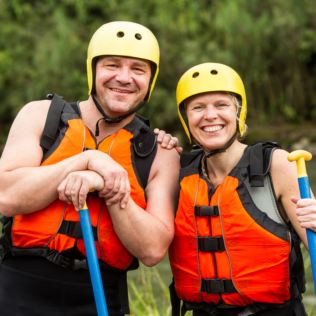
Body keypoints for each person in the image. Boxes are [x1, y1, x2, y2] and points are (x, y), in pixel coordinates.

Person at [0, 21, 180, 316]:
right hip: (18, 289)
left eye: (138, 69)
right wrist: (85, 160)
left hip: (99, 298)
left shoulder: (160, 152)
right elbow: (6, 196)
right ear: (93, 70)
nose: (124, 77)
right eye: (112, 65)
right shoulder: (40, 116)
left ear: (151, 80)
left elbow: (152, 250)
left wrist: (106, 185)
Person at [168, 62, 309, 316]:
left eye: (221, 105)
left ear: (239, 112)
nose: (210, 115)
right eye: (198, 107)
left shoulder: (276, 165)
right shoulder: (179, 173)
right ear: (185, 117)